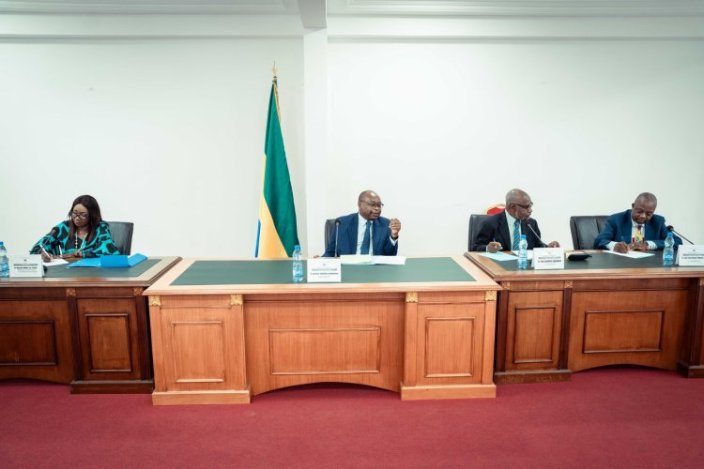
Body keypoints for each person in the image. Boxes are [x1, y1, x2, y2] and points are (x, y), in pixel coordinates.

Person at [30, 194, 120, 260]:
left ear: (92, 215)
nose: (77, 218)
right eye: (74, 213)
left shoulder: (101, 227)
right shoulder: (63, 227)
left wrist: (79, 254)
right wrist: (43, 253)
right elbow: (37, 248)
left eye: (83, 215)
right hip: (67, 272)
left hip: (94, 273)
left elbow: (109, 252)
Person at [472, 188, 560, 252]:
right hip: (500, 268)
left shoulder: (531, 223)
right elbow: (475, 248)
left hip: (526, 267)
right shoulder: (491, 223)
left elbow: (538, 247)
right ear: (512, 207)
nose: (530, 210)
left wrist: (549, 248)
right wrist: (488, 248)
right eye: (526, 207)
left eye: (530, 205)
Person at [593, 192, 682, 253]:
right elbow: (599, 241)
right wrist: (615, 245)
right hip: (621, 265)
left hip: (648, 266)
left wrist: (649, 245)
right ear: (633, 206)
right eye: (640, 211)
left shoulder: (657, 222)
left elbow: (677, 242)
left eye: (648, 214)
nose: (643, 216)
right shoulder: (616, 220)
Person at [323, 190, 401, 257]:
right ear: (360, 204)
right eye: (372, 205)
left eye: (379, 205)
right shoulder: (342, 223)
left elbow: (390, 256)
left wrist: (394, 236)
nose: (377, 208)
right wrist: (320, 261)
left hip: (375, 268)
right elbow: (330, 252)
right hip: (349, 267)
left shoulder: (386, 224)